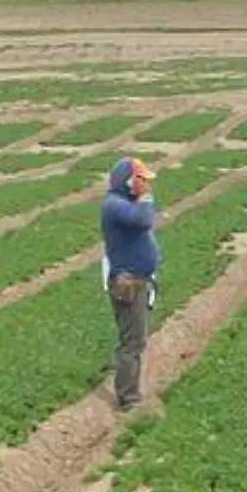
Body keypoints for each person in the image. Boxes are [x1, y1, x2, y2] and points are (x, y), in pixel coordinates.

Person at [101, 157, 159, 411]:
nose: (146, 185)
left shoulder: (124, 204)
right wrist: (145, 197)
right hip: (128, 283)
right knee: (132, 342)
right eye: (141, 179)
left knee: (137, 338)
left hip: (138, 281)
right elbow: (144, 220)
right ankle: (128, 397)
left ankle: (130, 390)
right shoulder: (114, 205)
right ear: (127, 181)